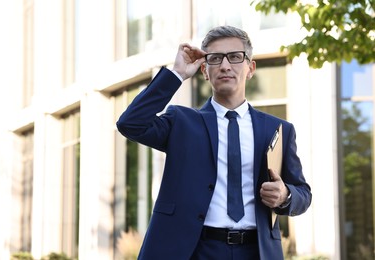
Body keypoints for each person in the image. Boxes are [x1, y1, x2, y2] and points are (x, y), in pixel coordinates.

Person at [117, 25, 312, 260]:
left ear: (250, 68)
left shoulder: (278, 130)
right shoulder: (182, 123)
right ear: (204, 71)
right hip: (195, 250)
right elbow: (130, 123)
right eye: (215, 58)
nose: (225, 65)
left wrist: (285, 196)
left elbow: (303, 194)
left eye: (235, 57)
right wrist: (177, 74)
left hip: (256, 252)